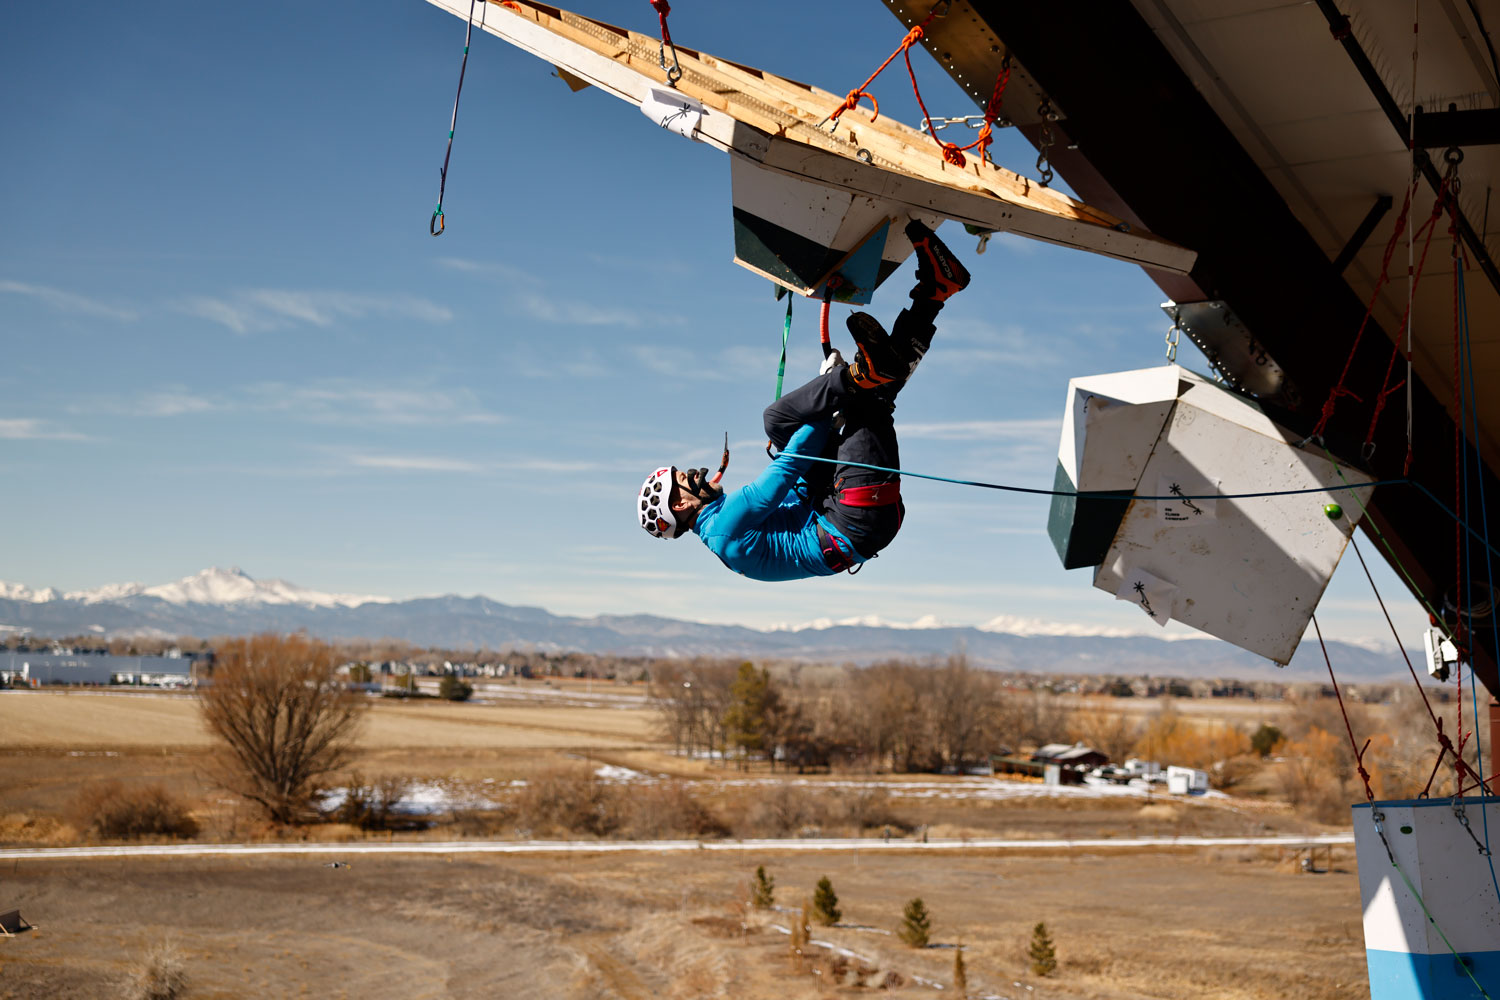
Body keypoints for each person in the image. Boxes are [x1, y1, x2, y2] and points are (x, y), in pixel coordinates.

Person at [636, 219, 969, 580]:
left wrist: (827, 398)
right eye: (683, 478)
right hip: (853, 518)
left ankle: (933, 293)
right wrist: (829, 390)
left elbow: (796, 485)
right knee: (843, 405)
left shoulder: (723, 530)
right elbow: (788, 468)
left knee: (791, 418)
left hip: (846, 514)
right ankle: (864, 372)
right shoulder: (724, 529)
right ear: (682, 504)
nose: (693, 473)